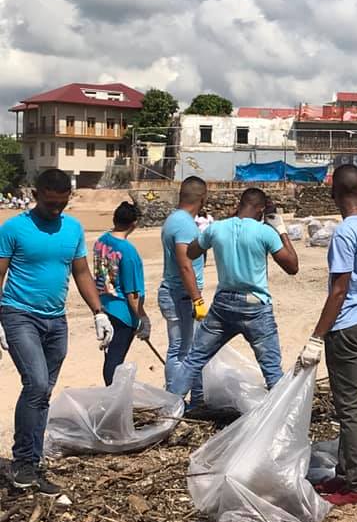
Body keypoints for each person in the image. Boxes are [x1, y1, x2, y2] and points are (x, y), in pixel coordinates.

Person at [0, 169, 114, 494]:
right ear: (37, 195)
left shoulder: (73, 228)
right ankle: (22, 463)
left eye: (62, 205)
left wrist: (98, 313)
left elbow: (81, 272)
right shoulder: (14, 229)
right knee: (35, 383)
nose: (56, 210)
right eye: (50, 204)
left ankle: (32, 465)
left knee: (43, 393)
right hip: (19, 315)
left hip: (56, 320)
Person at [296, 164, 357, 507]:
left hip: (350, 328)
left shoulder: (344, 232)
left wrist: (316, 337)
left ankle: (356, 486)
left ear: (334, 193)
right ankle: (344, 472)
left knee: (349, 409)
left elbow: (339, 290)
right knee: (354, 403)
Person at [169, 189, 299, 400]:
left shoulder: (217, 228)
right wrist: (281, 229)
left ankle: (169, 408)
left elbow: (191, 252)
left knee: (194, 360)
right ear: (262, 210)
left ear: (240, 204)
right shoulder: (264, 232)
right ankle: (280, 418)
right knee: (272, 370)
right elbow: (292, 266)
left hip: (223, 304)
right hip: (256, 306)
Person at [158, 176, 208, 405]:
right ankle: (175, 400)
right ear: (202, 198)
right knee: (182, 350)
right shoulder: (185, 225)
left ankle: (189, 398)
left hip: (176, 291)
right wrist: (197, 299)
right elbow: (184, 263)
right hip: (181, 294)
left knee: (185, 349)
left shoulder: (174, 219)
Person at [94, 201, 151, 386]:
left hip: (103, 304)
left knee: (110, 356)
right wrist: (143, 318)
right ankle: (113, 394)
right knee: (116, 359)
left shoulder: (101, 241)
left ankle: (110, 390)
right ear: (134, 224)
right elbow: (132, 293)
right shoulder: (128, 252)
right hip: (122, 312)